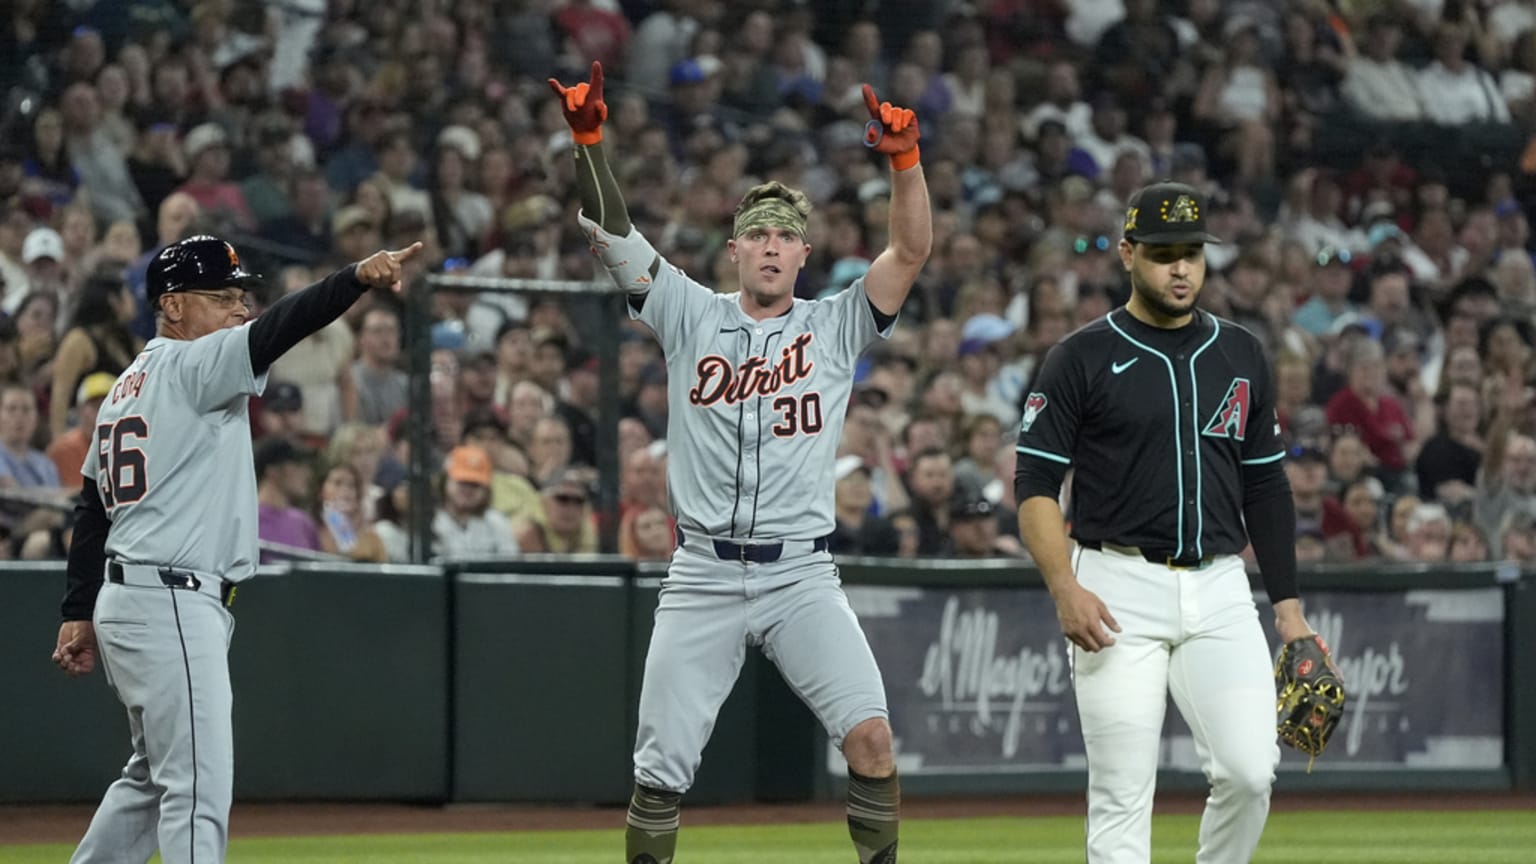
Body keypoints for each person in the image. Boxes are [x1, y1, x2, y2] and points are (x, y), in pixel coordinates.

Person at [549, 61, 930, 864]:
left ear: (803, 254)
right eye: (756, 233)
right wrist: (590, 145)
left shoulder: (836, 325)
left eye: (784, 235)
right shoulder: (690, 312)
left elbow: (911, 247)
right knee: (659, 776)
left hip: (801, 573)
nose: (770, 245)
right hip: (703, 575)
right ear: (734, 251)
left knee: (871, 741)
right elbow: (615, 233)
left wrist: (905, 162)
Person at [50, 232, 422, 863]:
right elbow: (281, 326)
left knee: (150, 781)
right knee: (196, 790)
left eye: (241, 295)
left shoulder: (125, 385)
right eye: (221, 296)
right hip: (168, 599)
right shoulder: (193, 366)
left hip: (138, 595)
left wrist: (78, 609)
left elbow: (93, 506)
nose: (239, 308)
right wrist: (353, 278)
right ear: (172, 307)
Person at [1014, 181, 1322, 864]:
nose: (1180, 268)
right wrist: (1065, 587)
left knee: (1249, 773)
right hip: (1115, 585)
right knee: (1123, 797)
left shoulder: (1241, 352)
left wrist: (1290, 611)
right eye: (1162, 254)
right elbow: (1034, 482)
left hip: (1219, 587)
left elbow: (1266, 485)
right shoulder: (1081, 356)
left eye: (1191, 252)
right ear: (1127, 254)